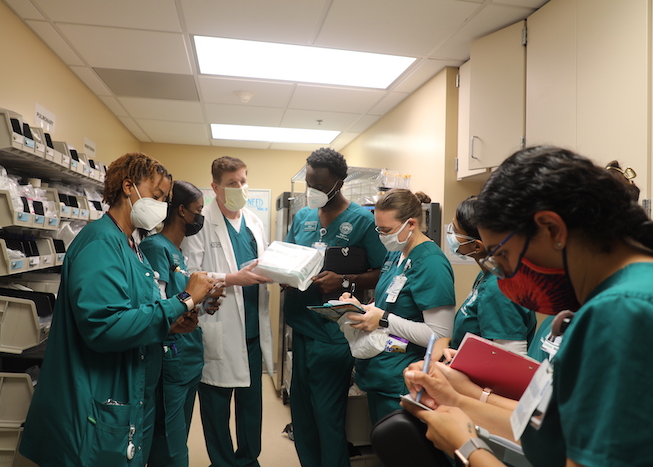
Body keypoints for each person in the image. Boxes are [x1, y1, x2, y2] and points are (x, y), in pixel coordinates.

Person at [402, 146, 653, 467]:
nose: (502, 277)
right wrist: (456, 400)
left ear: (553, 230)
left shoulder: (623, 312)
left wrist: (468, 448)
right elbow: (551, 433)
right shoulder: (636, 288)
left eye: (500, 255)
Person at [19, 152, 216, 466]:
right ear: (128, 187)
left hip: (125, 389)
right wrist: (183, 301)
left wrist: (170, 323)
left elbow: (137, 309)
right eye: (157, 196)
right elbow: (105, 326)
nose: (163, 207)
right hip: (92, 400)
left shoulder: (131, 244)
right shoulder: (100, 243)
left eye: (166, 199)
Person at [283, 147, 386, 467]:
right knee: (301, 415)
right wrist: (283, 274)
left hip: (332, 333)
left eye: (317, 186)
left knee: (327, 416)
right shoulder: (302, 216)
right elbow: (288, 257)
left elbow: (383, 271)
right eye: (308, 184)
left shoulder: (362, 221)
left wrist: (345, 280)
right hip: (300, 326)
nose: (311, 192)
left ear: (338, 183)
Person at [181, 156, 273, 467]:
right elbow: (190, 275)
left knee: (251, 406)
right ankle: (222, 462)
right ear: (215, 187)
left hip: (252, 327)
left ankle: (248, 460)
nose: (240, 188)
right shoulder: (201, 223)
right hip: (216, 324)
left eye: (243, 181)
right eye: (232, 183)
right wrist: (233, 278)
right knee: (216, 406)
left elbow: (262, 265)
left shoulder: (255, 222)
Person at [340, 188, 456, 425]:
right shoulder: (395, 254)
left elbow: (440, 334)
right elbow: (390, 304)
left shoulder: (431, 263)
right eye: (378, 229)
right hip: (380, 371)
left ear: (411, 224)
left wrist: (383, 319)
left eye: (386, 230)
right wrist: (362, 308)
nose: (381, 236)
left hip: (403, 380)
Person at [140, 180, 222, 467]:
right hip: (170, 358)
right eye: (199, 210)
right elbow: (160, 307)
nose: (201, 216)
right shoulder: (155, 247)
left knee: (178, 435)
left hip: (188, 358)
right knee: (171, 446)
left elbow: (182, 300)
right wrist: (192, 294)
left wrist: (205, 299)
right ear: (183, 211)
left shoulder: (178, 252)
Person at [436, 196, 536, 360]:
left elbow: (510, 362)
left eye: (455, 231)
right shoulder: (488, 274)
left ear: (477, 246)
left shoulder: (500, 287)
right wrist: (446, 342)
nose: (450, 234)